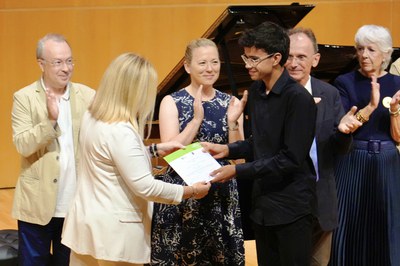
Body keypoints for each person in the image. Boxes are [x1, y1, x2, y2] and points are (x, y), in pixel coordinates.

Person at [61, 52, 211, 265]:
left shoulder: (93, 114)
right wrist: (192, 191)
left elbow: (109, 158)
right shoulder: (122, 131)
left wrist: (154, 150)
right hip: (114, 235)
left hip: (85, 226)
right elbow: (146, 187)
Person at [202, 21, 318, 266]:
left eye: (253, 59)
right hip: (263, 205)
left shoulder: (298, 100)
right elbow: (260, 143)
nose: (247, 65)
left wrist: (237, 170)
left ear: (276, 58)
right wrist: (228, 149)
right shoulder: (256, 91)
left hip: (291, 208)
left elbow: (289, 158)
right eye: (245, 58)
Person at [151, 38, 246, 265]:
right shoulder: (171, 101)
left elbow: (240, 157)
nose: (210, 68)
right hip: (184, 190)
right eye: (202, 63)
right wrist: (196, 120)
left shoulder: (231, 102)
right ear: (187, 66)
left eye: (214, 62)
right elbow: (168, 153)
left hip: (220, 190)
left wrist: (233, 122)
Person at [11, 33, 95, 266]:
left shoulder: (88, 96)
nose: (66, 68)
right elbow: (23, 145)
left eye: (70, 61)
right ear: (41, 64)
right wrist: (49, 121)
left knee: (68, 262)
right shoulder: (24, 97)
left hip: (75, 202)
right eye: (58, 62)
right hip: (36, 203)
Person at [285, 27, 360, 266]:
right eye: (289, 56)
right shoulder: (270, 94)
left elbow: (341, 149)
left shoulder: (329, 93)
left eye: (301, 56)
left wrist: (344, 132)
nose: (294, 63)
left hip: (321, 202)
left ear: (315, 59)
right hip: (285, 203)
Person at [330, 25, 400, 266]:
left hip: (388, 160)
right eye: (360, 49)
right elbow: (344, 127)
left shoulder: (397, 83)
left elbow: (398, 137)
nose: (364, 55)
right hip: (352, 158)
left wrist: (393, 111)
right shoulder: (344, 82)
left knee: (386, 219)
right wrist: (370, 106)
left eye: (371, 49)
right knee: (349, 221)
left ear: (385, 54)